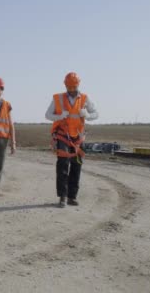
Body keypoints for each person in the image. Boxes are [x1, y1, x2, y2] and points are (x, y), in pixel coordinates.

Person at [45, 71, 98, 208]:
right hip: (63, 136)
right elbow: (47, 115)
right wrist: (59, 116)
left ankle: (72, 196)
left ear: (78, 85)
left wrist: (87, 114)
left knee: (76, 166)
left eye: (74, 87)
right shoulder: (58, 99)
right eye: (69, 87)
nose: (72, 90)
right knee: (62, 165)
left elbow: (96, 113)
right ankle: (62, 196)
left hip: (78, 138)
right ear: (66, 85)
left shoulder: (85, 99)